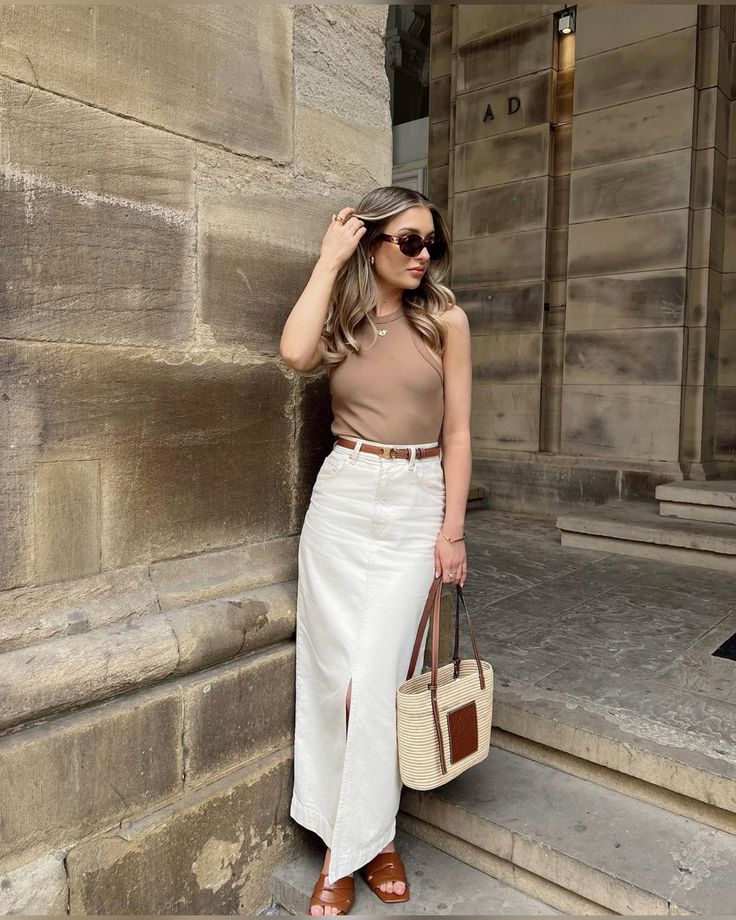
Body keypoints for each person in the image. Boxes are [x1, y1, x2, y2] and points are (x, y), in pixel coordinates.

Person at [279, 185, 472, 916]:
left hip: (419, 496)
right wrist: (329, 260)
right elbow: (295, 353)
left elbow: (458, 434)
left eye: (432, 243)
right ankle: (369, 838)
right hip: (344, 496)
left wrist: (451, 530)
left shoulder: (447, 321)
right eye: (409, 241)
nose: (424, 255)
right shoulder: (343, 317)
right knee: (333, 680)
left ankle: (346, 855)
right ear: (372, 243)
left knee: (379, 677)